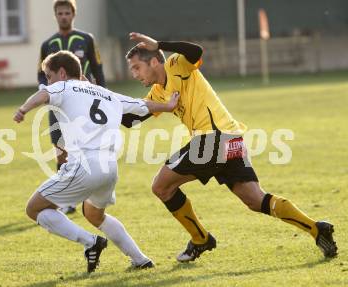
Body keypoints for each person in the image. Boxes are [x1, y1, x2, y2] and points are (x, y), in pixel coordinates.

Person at [123, 32, 338, 262]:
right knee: (255, 199)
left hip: (213, 140)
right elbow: (130, 120)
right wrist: (96, 96)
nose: (134, 74)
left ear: (154, 61)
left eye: (137, 67)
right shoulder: (157, 92)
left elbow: (196, 51)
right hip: (231, 139)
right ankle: (317, 229)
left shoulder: (176, 64)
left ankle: (200, 239)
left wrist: (160, 44)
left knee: (161, 187)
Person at [15, 50, 180, 272]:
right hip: (109, 168)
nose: (48, 81)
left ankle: (90, 242)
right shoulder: (106, 93)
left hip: (83, 165)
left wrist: (24, 109)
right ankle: (140, 260)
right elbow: (141, 105)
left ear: (62, 73)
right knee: (95, 214)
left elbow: (43, 95)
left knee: (34, 209)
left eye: (49, 76)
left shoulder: (63, 86)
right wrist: (168, 106)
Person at [38, 0, 106, 214]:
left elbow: (98, 70)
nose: (64, 16)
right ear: (55, 15)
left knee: (83, 151)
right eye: (60, 13)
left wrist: (101, 96)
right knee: (61, 152)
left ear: (73, 15)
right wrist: (45, 94)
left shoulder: (86, 40)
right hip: (58, 107)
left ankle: (88, 196)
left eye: (67, 12)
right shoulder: (47, 45)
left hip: (83, 105)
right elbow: (41, 75)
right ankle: (64, 200)